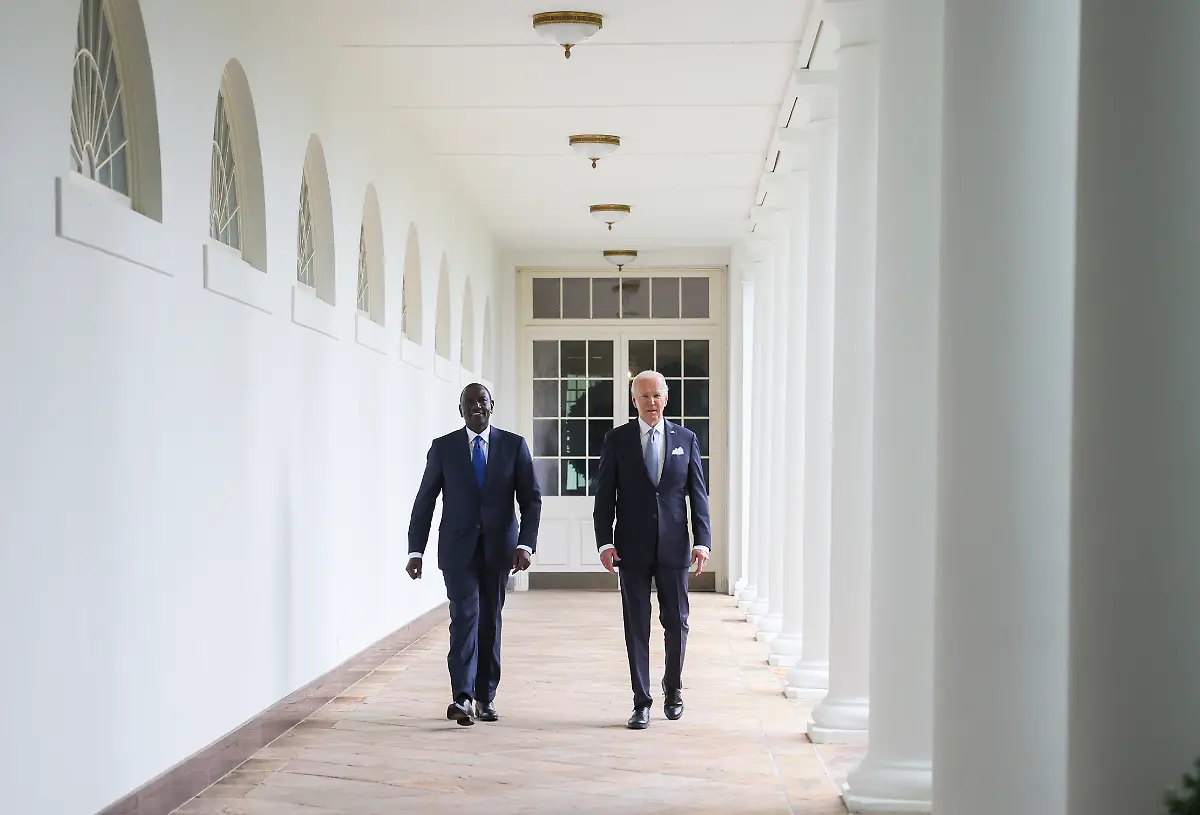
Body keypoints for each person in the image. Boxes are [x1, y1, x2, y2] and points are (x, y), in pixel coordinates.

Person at [407, 383, 541, 726]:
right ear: (461, 409)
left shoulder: (514, 446)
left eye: (482, 400)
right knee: (465, 614)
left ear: (492, 405)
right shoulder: (444, 448)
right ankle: (462, 697)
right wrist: (415, 549)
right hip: (457, 550)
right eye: (469, 402)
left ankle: (486, 697)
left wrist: (525, 545)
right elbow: (425, 502)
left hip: (499, 550)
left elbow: (531, 500)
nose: (476, 406)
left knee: (490, 620)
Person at [592, 370, 711, 729]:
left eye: (657, 395)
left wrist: (702, 541)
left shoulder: (686, 439)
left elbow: (697, 494)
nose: (652, 402)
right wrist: (605, 542)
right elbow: (604, 496)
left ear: (667, 398)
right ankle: (640, 701)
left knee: (677, 622)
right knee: (637, 626)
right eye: (645, 396)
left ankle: (672, 688)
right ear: (634, 401)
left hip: (675, 547)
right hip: (631, 546)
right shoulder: (618, 440)